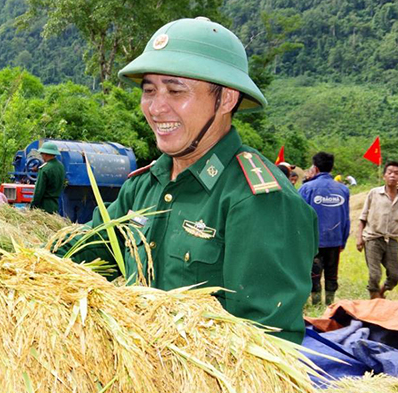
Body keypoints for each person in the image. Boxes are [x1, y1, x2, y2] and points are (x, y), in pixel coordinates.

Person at [64, 17, 317, 344]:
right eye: (149, 90)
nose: (156, 108)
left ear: (226, 99)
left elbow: (265, 343)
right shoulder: (142, 187)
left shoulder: (258, 199)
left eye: (175, 90)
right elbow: (82, 254)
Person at [356, 161, 398, 299]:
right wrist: (359, 238)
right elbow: (363, 217)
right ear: (384, 176)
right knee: (374, 275)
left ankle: (380, 294)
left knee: (395, 276)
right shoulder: (374, 193)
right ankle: (374, 299)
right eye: (389, 172)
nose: (393, 175)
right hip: (373, 238)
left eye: (396, 173)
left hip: (392, 240)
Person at [298, 152, 350, 305]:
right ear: (332, 167)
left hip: (313, 242)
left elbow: (300, 216)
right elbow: (346, 218)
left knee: (314, 274)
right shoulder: (343, 189)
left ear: (315, 167)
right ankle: (330, 303)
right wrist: (343, 241)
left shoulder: (307, 188)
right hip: (335, 241)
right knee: (332, 274)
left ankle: (316, 304)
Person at [30, 141, 65, 214]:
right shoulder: (60, 166)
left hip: (44, 208)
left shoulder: (45, 169)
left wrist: (32, 206)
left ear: (45, 154)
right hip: (55, 206)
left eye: (42, 154)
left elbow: (39, 191)